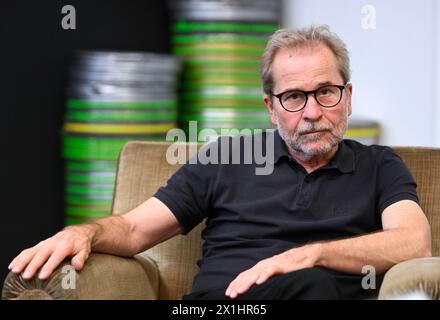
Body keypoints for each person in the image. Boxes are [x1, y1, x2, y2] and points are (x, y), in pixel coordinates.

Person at [8, 25, 431, 300]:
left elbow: (414, 243)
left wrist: (308, 255)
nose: (313, 111)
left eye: (326, 91)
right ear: (271, 107)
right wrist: (85, 232)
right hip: (224, 307)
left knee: (314, 284)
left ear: (349, 96)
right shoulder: (228, 157)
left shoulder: (379, 165)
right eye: (294, 97)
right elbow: (136, 228)